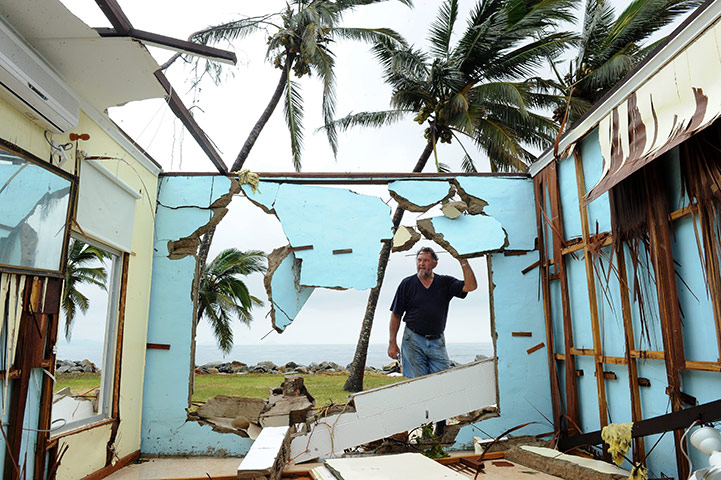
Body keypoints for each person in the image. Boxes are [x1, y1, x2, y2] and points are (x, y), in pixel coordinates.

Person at [387, 247, 477, 378]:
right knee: (416, 383)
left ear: (435, 263)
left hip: (437, 340)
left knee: (443, 379)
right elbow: (396, 314)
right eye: (419, 260)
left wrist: (463, 262)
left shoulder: (445, 282)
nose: (421, 264)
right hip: (412, 339)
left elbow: (471, 286)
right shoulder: (407, 284)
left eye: (426, 260)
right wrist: (392, 342)